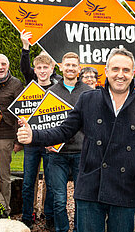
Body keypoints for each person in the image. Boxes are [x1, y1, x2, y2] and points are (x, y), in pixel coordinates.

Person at [17, 47, 135, 232]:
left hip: (125, 187)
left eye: (126, 70)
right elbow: (64, 131)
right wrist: (34, 135)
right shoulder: (88, 99)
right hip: (91, 186)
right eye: (115, 69)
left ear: (133, 72)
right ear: (106, 71)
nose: (120, 75)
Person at [46, 52, 92, 232]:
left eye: (74, 65)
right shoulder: (51, 92)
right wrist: (47, 141)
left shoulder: (89, 92)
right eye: (68, 65)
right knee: (59, 199)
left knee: (81, 198)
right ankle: (62, 230)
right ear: (61, 67)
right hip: (57, 154)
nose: (71, 68)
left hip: (82, 152)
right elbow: (44, 121)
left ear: (79, 68)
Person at [20, 32, 56, 229]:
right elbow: (24, 69)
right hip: (32, 142)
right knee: (28, 182)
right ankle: (27, 216)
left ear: (52, 69)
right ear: (35, 69)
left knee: (51, 183)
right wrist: (26, 48)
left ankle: (49, 216)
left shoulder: (58, 89)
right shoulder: (30, 85)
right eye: (39, 68)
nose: (42, 71)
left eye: (45, 68)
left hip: (50, 142)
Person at [0, 53, 24, 215]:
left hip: (4, 134)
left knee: (2, 175)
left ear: (8, 66)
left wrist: (18, 140)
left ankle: (4, 210)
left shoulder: (15, 84)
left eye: (3, 64)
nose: (0, 67)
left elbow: (20, 112)